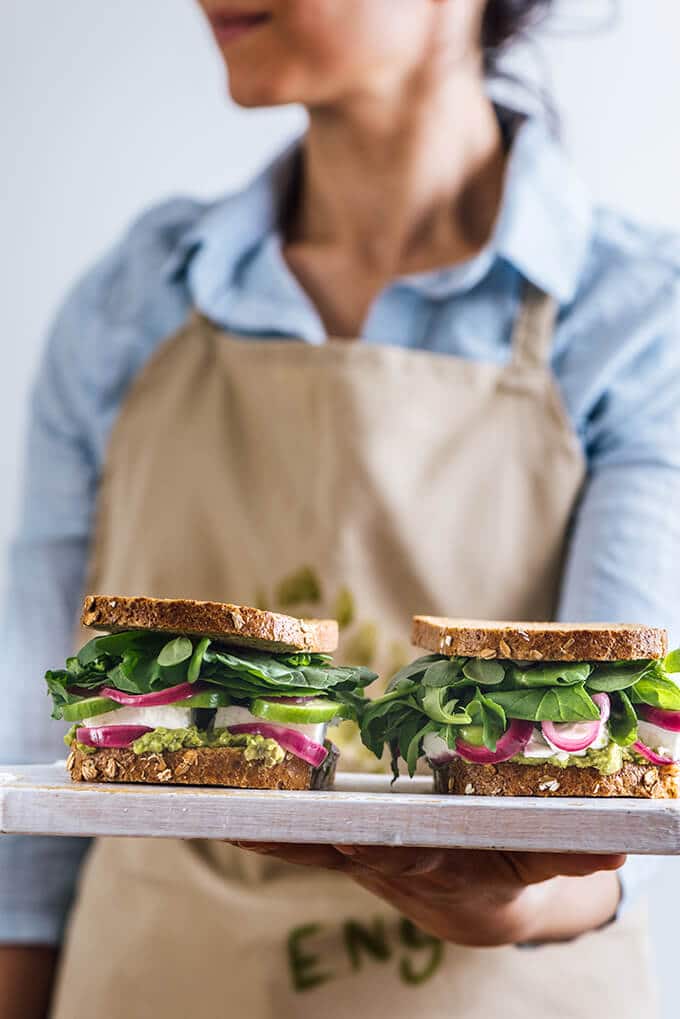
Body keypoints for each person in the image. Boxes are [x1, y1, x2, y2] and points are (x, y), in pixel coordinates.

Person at [2, 0, 679, 1016]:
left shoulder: (635, 318)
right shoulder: (133, 300)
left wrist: (509, 905)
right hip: (149, 977)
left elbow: (621, 781)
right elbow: (25, 747)